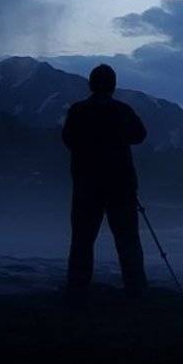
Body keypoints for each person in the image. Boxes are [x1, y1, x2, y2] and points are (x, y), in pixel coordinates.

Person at [62, 63, 147, 303]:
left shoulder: (78, 111)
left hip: (86, 186)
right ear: (113, 85)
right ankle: (136, 290)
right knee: (128, 239)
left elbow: (68, 139)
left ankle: (77, 289)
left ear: (90, 84)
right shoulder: (122, 111)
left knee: (82, 239)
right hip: (121, 186)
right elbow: (139, 136)